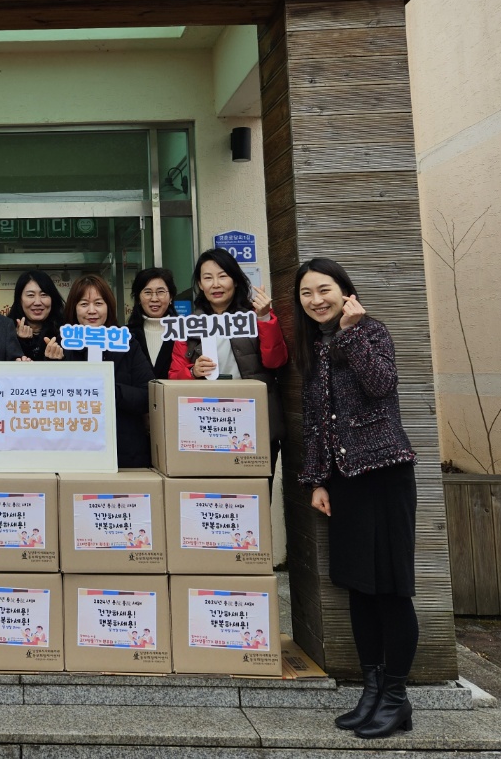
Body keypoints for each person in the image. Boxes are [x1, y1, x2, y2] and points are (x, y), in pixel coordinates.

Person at [296, 257, 418, 740]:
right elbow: (314, 422)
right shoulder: (312, 347)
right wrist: (317, 481)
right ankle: (372, 691)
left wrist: (350, 334)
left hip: (384, 474)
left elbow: (382, 385)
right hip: (344, 480)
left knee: (391, 589)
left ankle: (396, 697)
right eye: (306, 293)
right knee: (359, 588)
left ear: (345, 291)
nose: (316, 300)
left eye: (323, 289)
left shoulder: (370, 332)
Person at [169, 248, 289, 474]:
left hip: (254, 422)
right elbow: (174, 378)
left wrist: (264, 317)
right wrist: (193, 372)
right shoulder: (188, 326)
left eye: (222, 276)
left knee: (255, 490)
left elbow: (276, 361)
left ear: (235, 279)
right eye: (207, 278)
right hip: (210, 425)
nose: (215, 284)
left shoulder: (255, 316)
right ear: (200, 285)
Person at [60, 274, 154, 468]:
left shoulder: (128, 344)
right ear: (74, 308)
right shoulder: (61, 346)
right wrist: (51, 362)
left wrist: (110, 390)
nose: (92, 310)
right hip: (74, 450)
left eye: (98, 303)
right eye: (84, 304)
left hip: (125, 452)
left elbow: (148, 395)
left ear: (109, 306)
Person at [127, 267, 179, 379]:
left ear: (171, 297)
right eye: (147, 292)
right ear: (138, 298)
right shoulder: (126, 335)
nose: (154, 299)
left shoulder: (184, 333)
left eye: (160, 292)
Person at [9, 270, 66, 361]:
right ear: (19, 299)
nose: (37, 302)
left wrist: (56, 361)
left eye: (44, 295)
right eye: (30, 295)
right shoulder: (6, 332)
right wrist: (21, 342)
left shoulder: (65, 333)